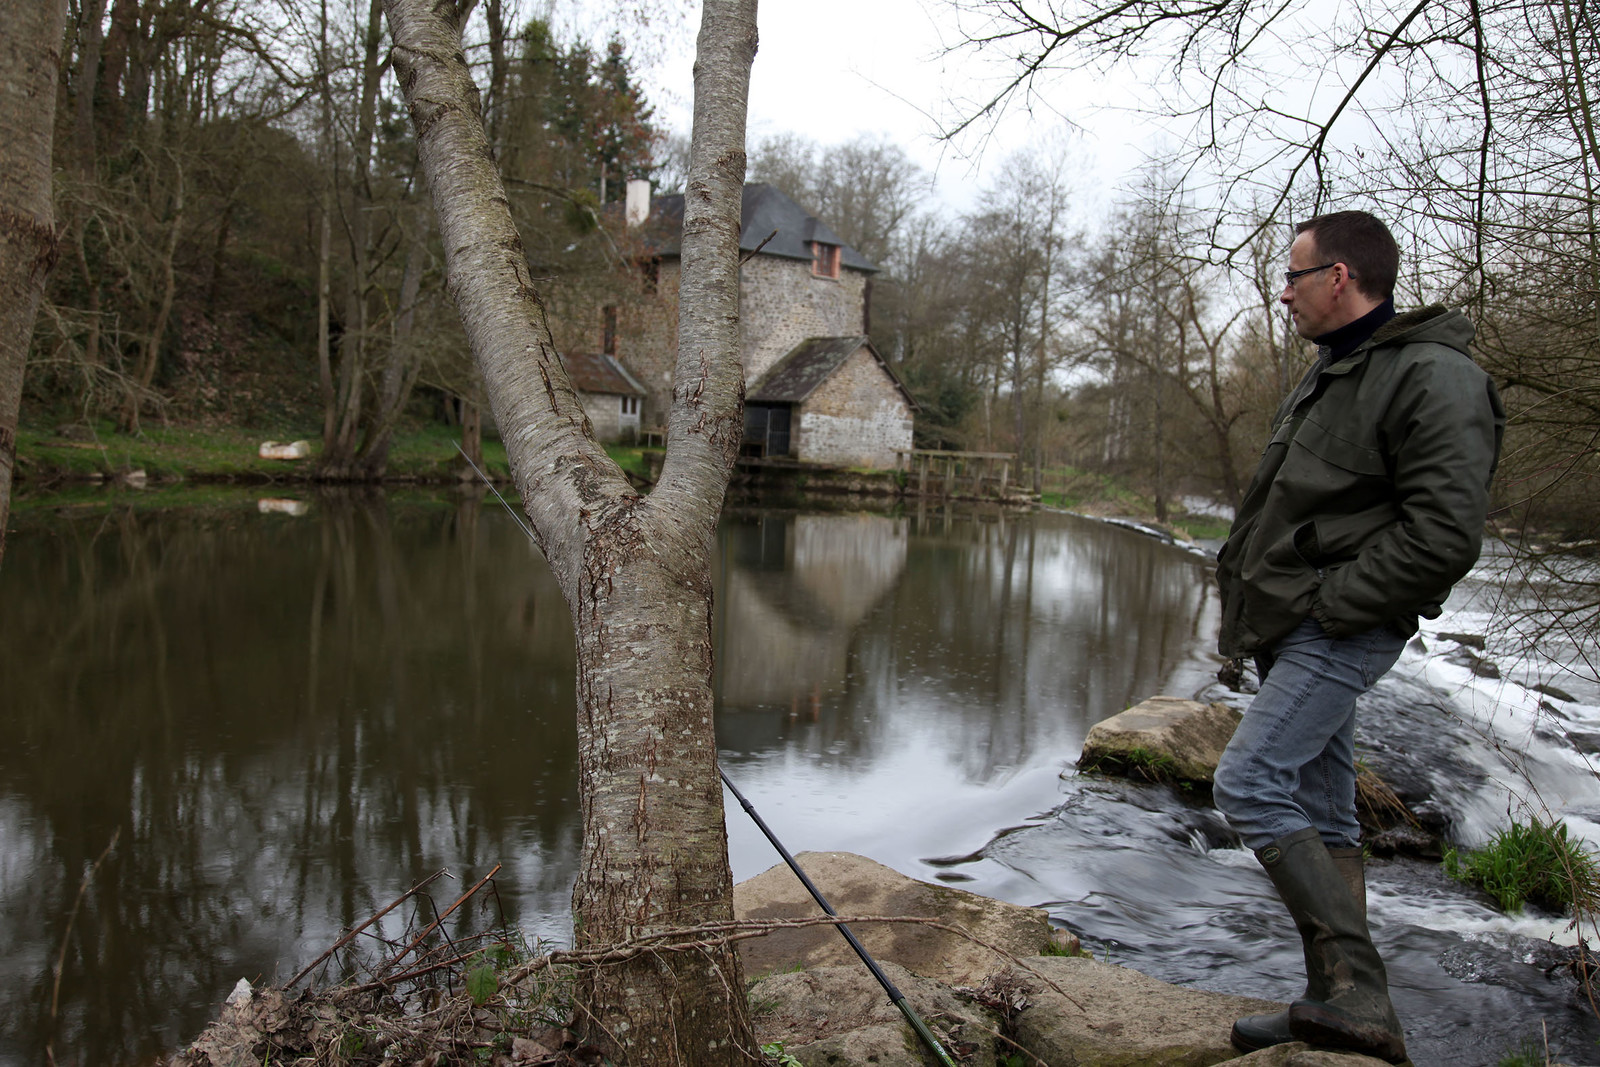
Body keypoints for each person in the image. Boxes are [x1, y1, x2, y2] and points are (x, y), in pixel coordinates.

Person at [1212, 210, 1504, 1064]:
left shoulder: (1434, 376)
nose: (1284, 292)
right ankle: (1330, 1000)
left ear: (1340, 277)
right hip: (1299, 622)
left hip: (1339, 625)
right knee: (1325, 808)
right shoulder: (1333, 371)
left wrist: (1338, 603)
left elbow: (1446, 533)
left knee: (1252, 781)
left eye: (1294, 276)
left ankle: (1360, 991)